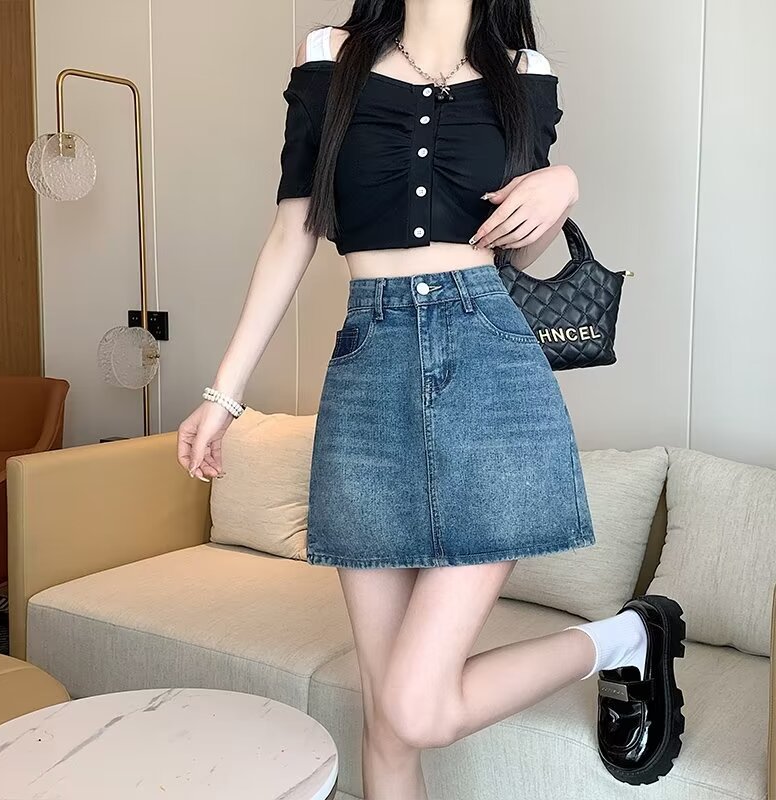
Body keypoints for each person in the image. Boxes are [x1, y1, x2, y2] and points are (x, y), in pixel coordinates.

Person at [177, 3, 686, 797]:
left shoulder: (522, 75)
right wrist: (224, 392)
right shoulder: (330, 56)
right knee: (387, 724)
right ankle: (627, 638)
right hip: (367, 379)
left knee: (413, 708)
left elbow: (523, 246)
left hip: (491, 373)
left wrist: (563, 184)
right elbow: (293, 231)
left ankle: (627, 640)